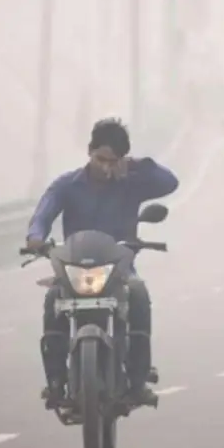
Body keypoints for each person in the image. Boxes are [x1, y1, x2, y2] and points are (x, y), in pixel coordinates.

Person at [25, 118, 179, 408]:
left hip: (119, 271)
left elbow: (170, 182)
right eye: (101, 159)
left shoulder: (131, 183)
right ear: (89, 151)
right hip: (73, 271)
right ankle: (56, 380)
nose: (106, 168)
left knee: (138, 294)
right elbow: (43, 214)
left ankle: (137, 379)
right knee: (52, 300)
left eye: (113, 161)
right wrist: (35, 237)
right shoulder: (67, 185)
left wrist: (136, 165)